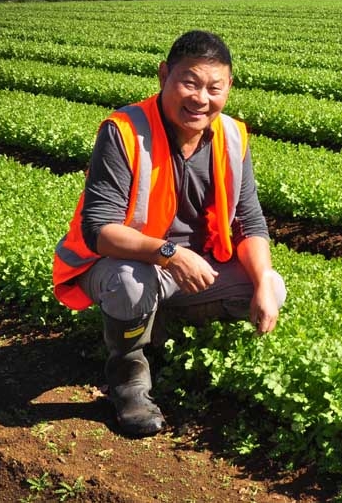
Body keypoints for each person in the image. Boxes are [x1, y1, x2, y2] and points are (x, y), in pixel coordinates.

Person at [52, 30, 286, 437]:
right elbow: (99, 230)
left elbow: (250, 221)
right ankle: (129, 379)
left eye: (214, 87)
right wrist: (170, 254)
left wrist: (263, 279)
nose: (201, 98)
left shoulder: (232, 137)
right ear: (164, 76)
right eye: (189, 82)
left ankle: (162, 326)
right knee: (130, 284)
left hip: (189, 268)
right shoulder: (124, 131)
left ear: (229, 87)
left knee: (270, 284)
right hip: (127, 262)